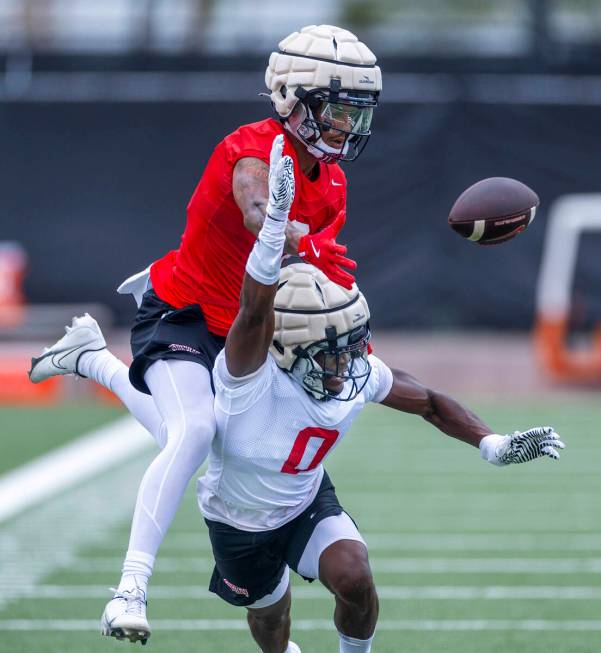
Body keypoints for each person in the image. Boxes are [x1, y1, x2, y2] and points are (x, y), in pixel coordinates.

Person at [35, 135, 564, 652]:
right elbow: (255, 309)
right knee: (269, 612)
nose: (345, 364)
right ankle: (95, 363)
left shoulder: (354, 370)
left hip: (305, 500)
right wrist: (270, 234)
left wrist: (492, 444)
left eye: (348, 347)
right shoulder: (246, 378)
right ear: (286, 351)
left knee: (355, 578)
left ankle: (92, 360)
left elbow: (428, 401)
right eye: (330, 351)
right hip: (237, 521)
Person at [28, 24, 382, 644]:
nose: (346, 126)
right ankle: (129, 590)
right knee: (194, 431)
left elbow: (304, 283)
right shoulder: (252, 148)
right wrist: (285, 226)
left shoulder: (332, 182)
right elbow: (254, 207)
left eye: (356, 112)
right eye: (336, 109)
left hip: (249, 333)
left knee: (215, 441)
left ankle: (93, 360)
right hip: (183, 314)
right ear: (293, 100)